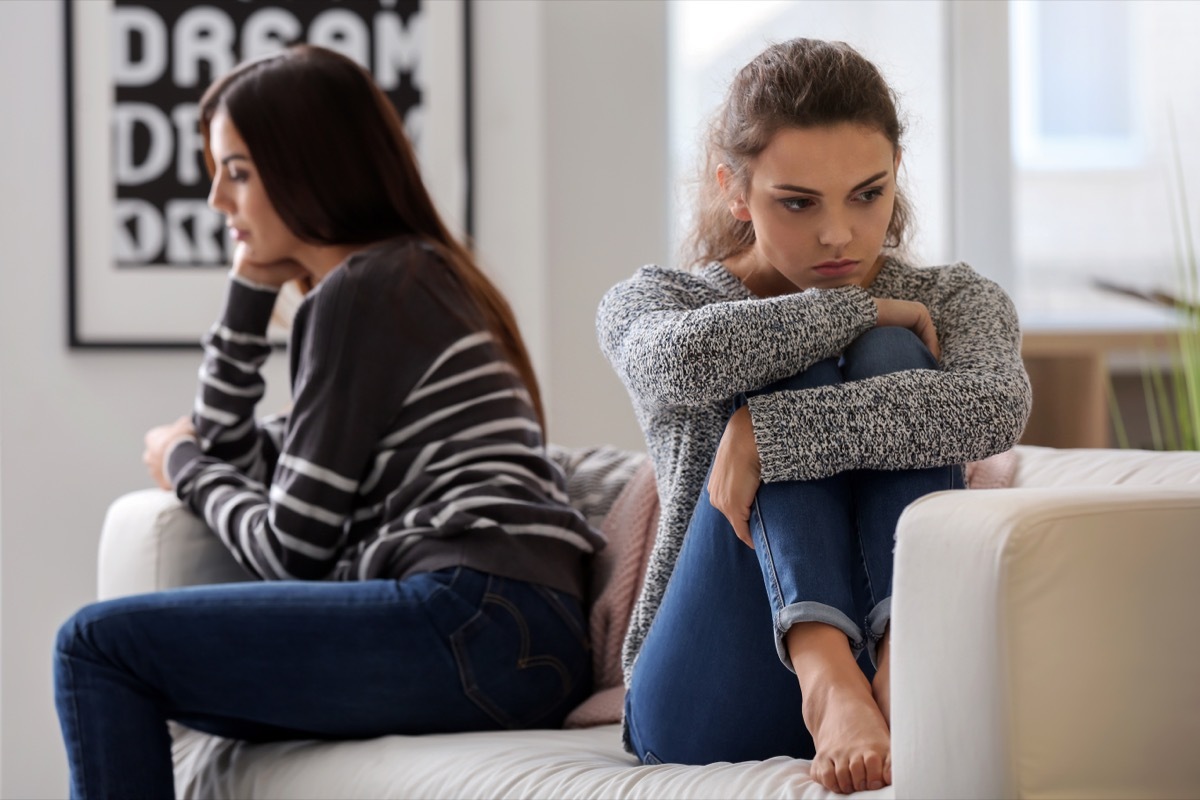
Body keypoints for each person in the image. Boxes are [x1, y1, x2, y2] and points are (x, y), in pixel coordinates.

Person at [54, 44, 604, 799]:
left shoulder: (367, 289)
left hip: (471, 616)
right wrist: (249, 291)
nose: (216, 200)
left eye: (237, 172)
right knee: (126, 656)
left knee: (96, 647)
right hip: (517, 633)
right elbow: (237, 449)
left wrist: (183, 467)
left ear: (309, 167)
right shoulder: (410, 277)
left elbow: (291, 550)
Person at [597, 38, 1031, 794]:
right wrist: (854, 309)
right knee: (813, 347)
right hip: (709, 686)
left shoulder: (955, 298)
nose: (839, 234)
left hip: (898, 673)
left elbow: (995, 405)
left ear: (896, 170)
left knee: (892, 350)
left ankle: (898, 659)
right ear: (735, 189)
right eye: (798, 203)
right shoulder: (661, 301)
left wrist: (772, 437)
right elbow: (679, 363)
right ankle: (826, 677)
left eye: (867, 194)